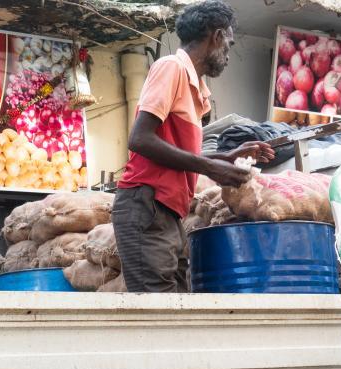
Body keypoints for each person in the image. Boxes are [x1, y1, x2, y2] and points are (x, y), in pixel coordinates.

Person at [114, 0, 274, 293]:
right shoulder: (171, 68)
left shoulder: (194, 88)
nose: (228, 54)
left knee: (176, 307)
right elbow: (140, 139)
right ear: (216, 36)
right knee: (158, 312)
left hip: (167, 212)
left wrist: (225, 157)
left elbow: (173, 153)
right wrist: (210, 166)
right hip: (147, 204)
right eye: (228, 44)